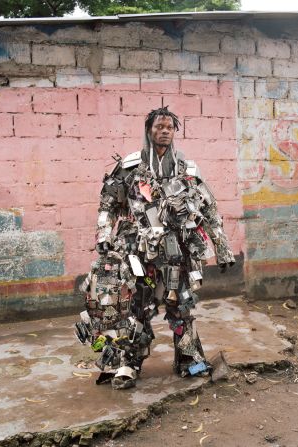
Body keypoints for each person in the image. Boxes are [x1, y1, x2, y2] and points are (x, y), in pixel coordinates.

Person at [75, 106, 235, 389]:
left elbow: (209, 210)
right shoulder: (131, 167)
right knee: (136, 308)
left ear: (175, 132)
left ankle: (188, 359)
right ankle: (129, 363)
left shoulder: (188, 170)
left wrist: (222, 248)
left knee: (181, 306)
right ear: (148, 130)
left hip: (178, 254)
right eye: (158, 126)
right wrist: (103, 234)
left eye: (169, 127)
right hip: (138, 251)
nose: (164, 131)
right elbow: (108, 204)